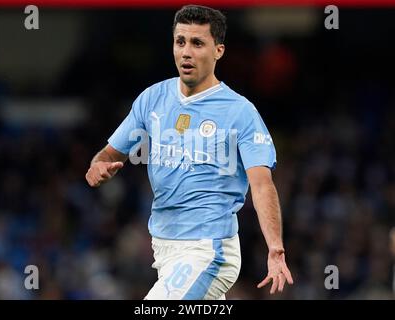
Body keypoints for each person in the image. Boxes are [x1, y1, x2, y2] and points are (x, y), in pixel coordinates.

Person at [85, 4, 293, 300]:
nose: (186, 51)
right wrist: (98, 166)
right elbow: (108, 154)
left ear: (218, 50)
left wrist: (275, 247)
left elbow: (262, 184)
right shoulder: (152, 99)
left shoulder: (240, 112)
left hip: (208, 249)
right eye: (180, 41)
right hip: (165, 249)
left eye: (197, 43)